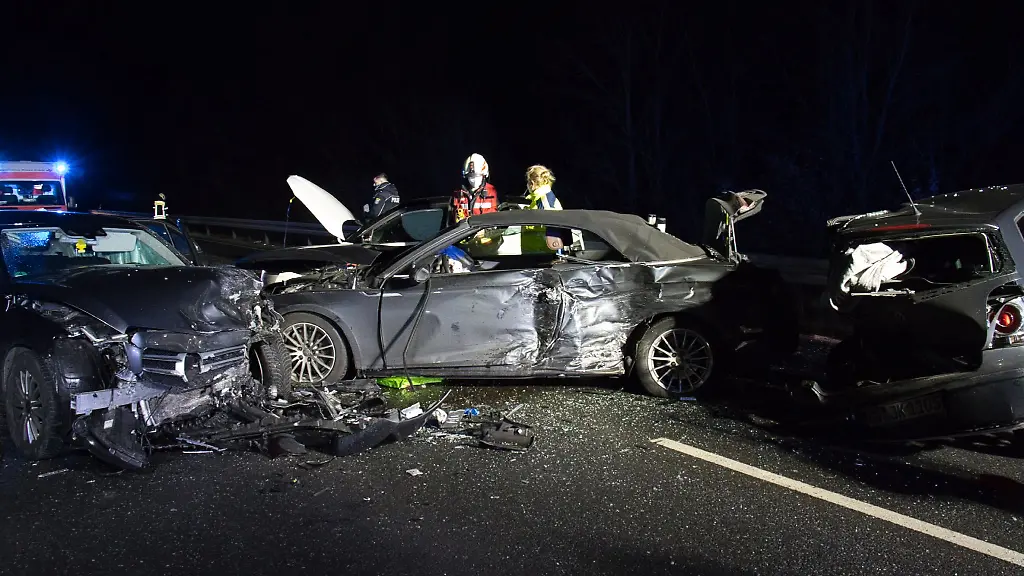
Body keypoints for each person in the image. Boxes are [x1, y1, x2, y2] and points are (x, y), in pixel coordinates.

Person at [522, 164, 567, 253]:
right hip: (535, 252)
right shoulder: (536, 199)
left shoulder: (544, 199)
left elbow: (553, 226)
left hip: (544, 254)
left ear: (532, 182)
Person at [452, 153, 499, 223]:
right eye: (471, 176)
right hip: (463, 232)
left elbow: (496, 218)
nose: (474, 179)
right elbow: (452, 218)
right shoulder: (458, 193)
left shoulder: (491, 192)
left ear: (484, 175)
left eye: (477, 176)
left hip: (486, 232)